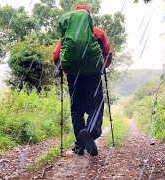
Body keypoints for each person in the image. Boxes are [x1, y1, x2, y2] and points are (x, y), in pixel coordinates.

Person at [53, 5, 112, 156]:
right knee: (95, 107)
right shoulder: (97, 32)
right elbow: (108, 53)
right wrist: (102, 65)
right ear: (89, 17)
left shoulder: (68, 35)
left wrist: (63, 68)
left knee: (76, 110)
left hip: (74, 77)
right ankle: (91, 132)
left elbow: (56, 55)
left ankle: (80, 145)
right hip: (93, 76)